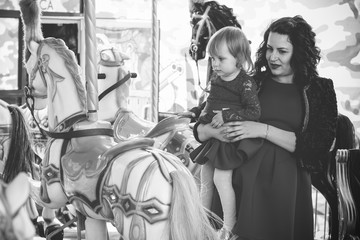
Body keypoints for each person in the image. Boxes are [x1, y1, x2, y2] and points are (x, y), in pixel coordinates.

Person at [192, 15, 338, 240]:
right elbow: (201, 125)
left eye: (282, 51)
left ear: (298, 53)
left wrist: (261, 129)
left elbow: (317, 146)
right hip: (240, 180)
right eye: (269, 49)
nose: (273, 57)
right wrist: (210, 131)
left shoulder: (320, 89)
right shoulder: (248, 82)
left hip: (285, 188)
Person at [189, 26, 261, 239]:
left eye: (220, 58)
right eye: (212, 59)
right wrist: (201, 118)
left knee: (222, 179)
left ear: (238, 58)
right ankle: (201, 221)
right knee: (204, 178)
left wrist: (227, 115)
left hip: (229, 141)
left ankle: (229, 225)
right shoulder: (216, 79)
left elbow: (254, 111)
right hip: (214, 138)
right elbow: (209, 105)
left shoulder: (245, 82)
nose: (215, 64)